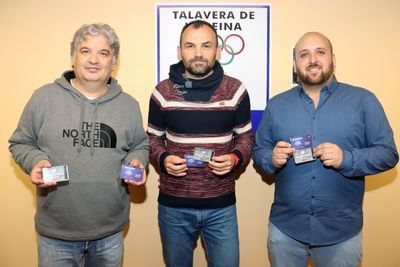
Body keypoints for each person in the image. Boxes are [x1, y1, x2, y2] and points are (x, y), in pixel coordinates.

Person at [252, 32, 398, 267]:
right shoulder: (277, 105)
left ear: (333, 59)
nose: (312, 59)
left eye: (320, 52)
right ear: (294, 64)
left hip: (341, 236)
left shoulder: (364, 100)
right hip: (286, 232)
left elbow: (388, 153)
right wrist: (270, 158)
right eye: (304, 54)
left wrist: (347, 158)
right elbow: (259, 152)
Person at [9, 23, 149, 267]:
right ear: (73, 57)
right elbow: (21, 142)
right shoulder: (43, 98)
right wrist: (36, 161)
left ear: (113, 62)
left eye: (103, 53)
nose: (94, 59)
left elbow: (140, 145)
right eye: (85, 51)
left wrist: (137, 161)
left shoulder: (129, 105)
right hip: (56, 233)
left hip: (110, 232)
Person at [147, 20, 254, 267]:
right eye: (190, 46)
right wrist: (163, 158)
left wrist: (235, 158)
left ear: (218, 51)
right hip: (174, 207)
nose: (198, 53)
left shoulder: (236, 91)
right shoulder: (162, 92)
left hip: (221, 207)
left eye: (206, 46)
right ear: (179, 51)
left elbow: (246, 137)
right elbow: (153, 138)